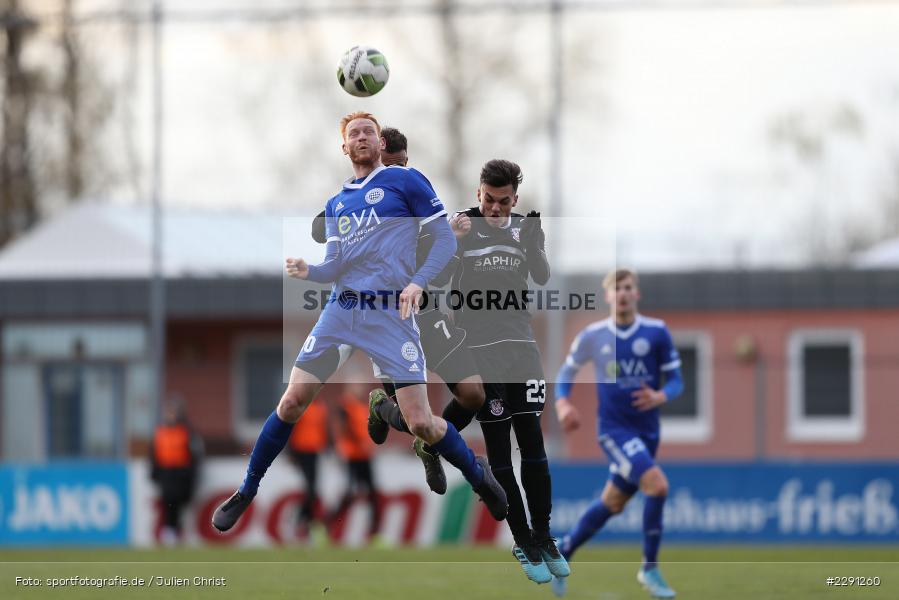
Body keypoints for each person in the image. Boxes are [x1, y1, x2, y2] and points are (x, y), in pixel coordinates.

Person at [212, 111, 507, 532]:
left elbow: (442, 238)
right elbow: (333, 266)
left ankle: (478, 475)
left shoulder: (406, 182)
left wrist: (419, 283)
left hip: (392, 313)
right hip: (343, 310)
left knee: (421, 422)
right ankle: (247, 488)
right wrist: (308, 271)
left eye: (370, 130)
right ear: (345, 147)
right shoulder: (337, 204)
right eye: (355, 133)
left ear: (381, 143)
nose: (364, 137)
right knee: (292, 401)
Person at [311, 126, 487, 496]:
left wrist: (453, 237)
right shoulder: (356, 200)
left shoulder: (415, 192)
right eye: (394, 165)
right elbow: (320, 229)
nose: (400, 172)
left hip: (425, 311)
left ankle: (429, 444)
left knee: (472, 394)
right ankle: (383, 407)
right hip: (386, 320)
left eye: (405, 165)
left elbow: (439, 255)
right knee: (411, 414)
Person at [440, 159, 568, 585]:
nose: (496, 209)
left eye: (504, 202)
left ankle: (545, 536)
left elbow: (543, 276)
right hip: (480, 353)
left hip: (523, 349)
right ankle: (522, 539)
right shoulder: (461, 227)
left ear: (515, 198)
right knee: (500, 454)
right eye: (489, 200)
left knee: (533, 444)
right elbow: (438, 279)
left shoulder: (525, 228)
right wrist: (454, 245)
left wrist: (534, 245)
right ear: (479, 194)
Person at [552, 268, 683, 599]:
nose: (623, 293)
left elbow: (677, 380)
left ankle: (562, 552)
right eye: (617, 289)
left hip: (648, 432)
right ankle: (649, 569)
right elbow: (566, 372)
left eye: (628, 288)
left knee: (612, 502)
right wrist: (563, 403)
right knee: (657, 484)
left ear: (636, 294)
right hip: (613, 430)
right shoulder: (593, 336)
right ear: (608, 296)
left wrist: (660, 396)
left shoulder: (656, 332)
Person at [329, 382, 380, 542]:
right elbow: (344, 429)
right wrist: (361, 443)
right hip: (351, 456)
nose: (361, 389)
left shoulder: (362, 407)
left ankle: (373, 535)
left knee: (373, 495)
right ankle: (326, 525)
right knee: (350, 494)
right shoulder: (344, 406)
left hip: (365, 457)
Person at [149, 400, 203, 545]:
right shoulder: (160, 432)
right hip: (166, 474)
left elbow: (195, 455)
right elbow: (154, 454)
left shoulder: (186, 431)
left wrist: (191, 475)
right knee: (168, 504)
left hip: (181, 475)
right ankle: (170, 533)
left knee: (179, 505)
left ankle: (176, 532)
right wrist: (154, 473)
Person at [286, 400, 328, 542]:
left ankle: (306, 523)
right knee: (311, 488)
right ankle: (300, 520)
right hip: (301, 451)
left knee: (313, 489)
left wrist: (329, 446)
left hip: (314, 451)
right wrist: (290, 452)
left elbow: (323, 430)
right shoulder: (300, 406)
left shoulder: (320, 408)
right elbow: (290, 428)